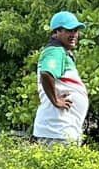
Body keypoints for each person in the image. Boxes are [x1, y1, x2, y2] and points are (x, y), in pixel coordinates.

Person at [32, 11, 88, 144]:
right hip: (57, 131)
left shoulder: (62, 52)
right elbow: (46, 73)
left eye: (76, 31)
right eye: (69, 30)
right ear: (56, 32)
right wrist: (56, 100)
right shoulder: (55, 50)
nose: (74, 35)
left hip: (62, 130)